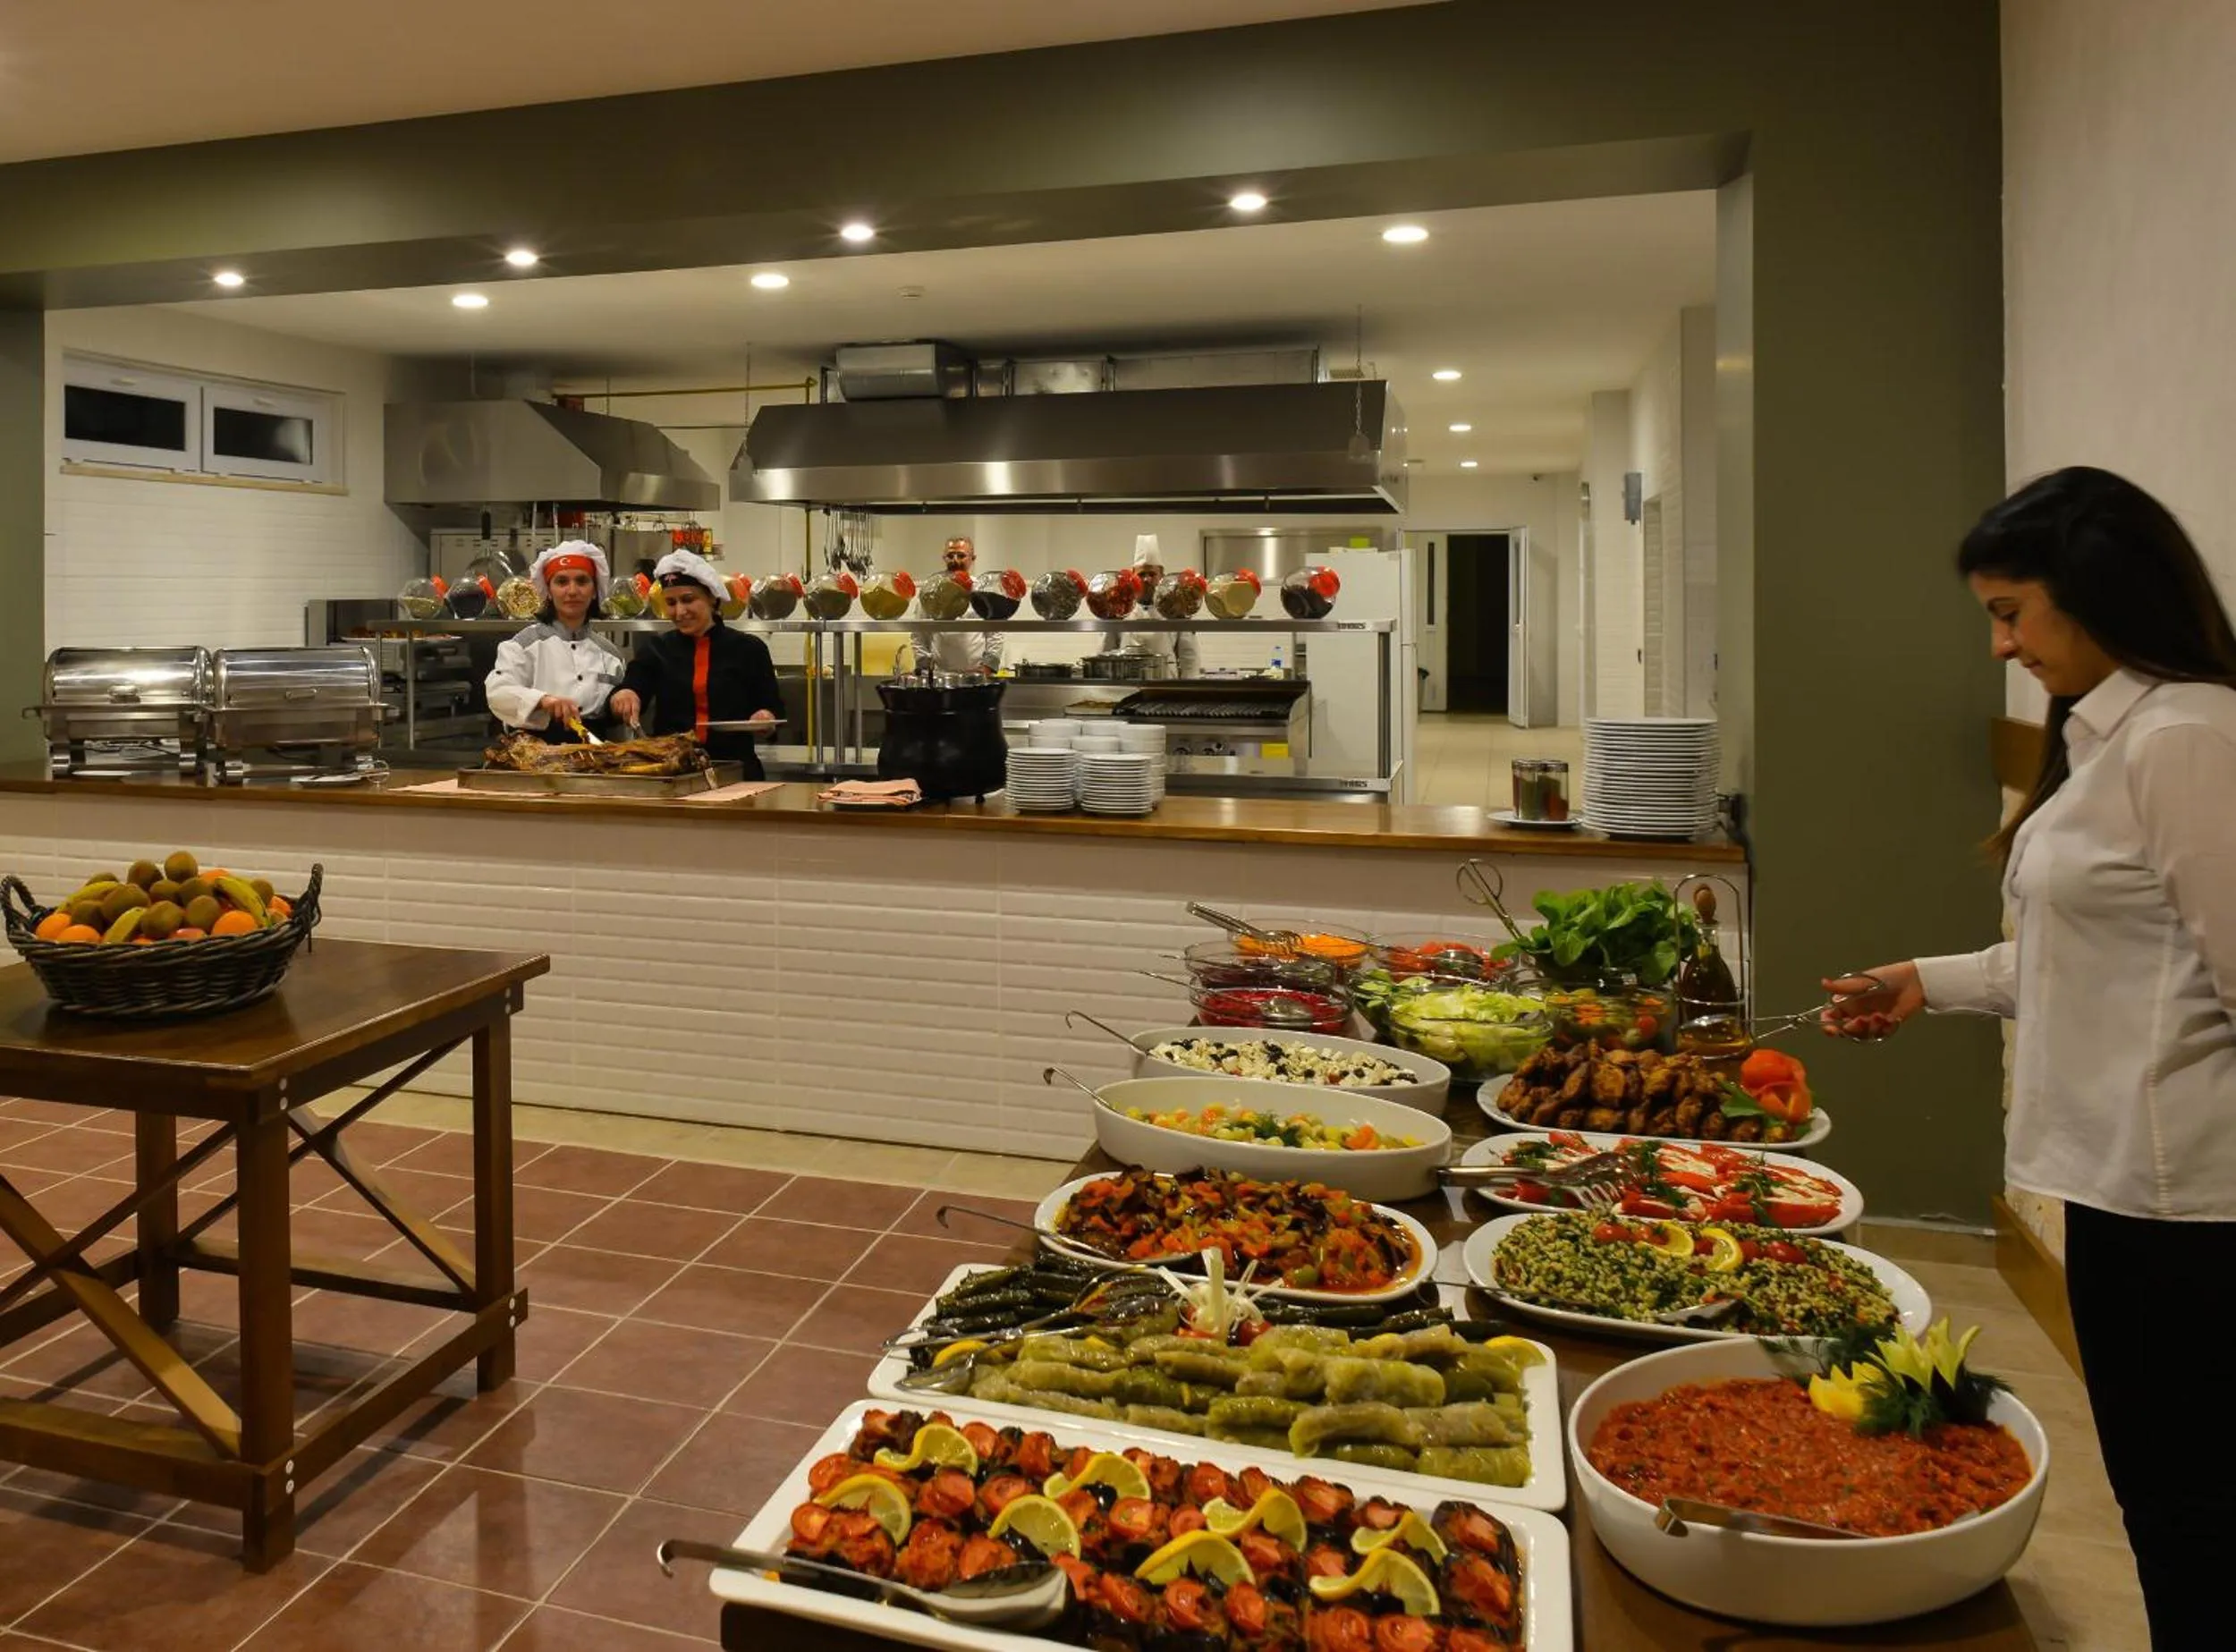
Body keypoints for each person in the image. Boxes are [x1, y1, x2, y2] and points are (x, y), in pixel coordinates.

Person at [1820, 466, 2236, 1649]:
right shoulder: (2117, 733)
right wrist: (1927, 980)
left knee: (2193, 1511)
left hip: (2193, 1205)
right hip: (2125, 1190)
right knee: (2169, 1503)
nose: (2002, 644)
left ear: (2099, 591)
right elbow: (2082, 960)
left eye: (2013, 611)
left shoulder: (2190, 739)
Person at [608, 547, 786, 778]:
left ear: (712, 598)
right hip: (674, 771)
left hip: (736, 770)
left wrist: (765, 717)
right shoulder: (656, 649)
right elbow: (633, 684)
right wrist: (625, 695)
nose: (680, 611)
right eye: (671, 603)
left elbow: (772, 706)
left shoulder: (748, 649)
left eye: (688, 600)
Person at [483, 540, 625, 741]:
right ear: (548, 591)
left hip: (595, 757)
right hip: (536, 753)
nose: (572, 591)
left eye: (582, 581)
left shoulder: (611, 654)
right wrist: (543, 701)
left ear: (594, 591)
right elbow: (498, 692)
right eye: (561, 582)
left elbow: (618, 728)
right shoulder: (524, 645)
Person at [1100, 534, 1201, 678]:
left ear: (1162, 577)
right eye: (1142, 574)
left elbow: (1189, 658)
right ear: (1133, 576)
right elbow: (1105, 653)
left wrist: (1187, 693)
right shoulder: (1119, 611)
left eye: (1152, 574)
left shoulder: (1176, 610)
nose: (1147, 579)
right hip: (1126, 687)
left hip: (1166, 688)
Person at [908, 536, 1001, 675]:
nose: (955, 560)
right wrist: (925, 666)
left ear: (972, 558)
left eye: (961, 555)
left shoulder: (981, 592)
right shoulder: (931, 591)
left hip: (977, 676)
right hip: (940, 676)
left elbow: (996, 633)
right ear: (944, 558)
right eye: (950, 555)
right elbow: (918, 632)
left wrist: (989, 667)